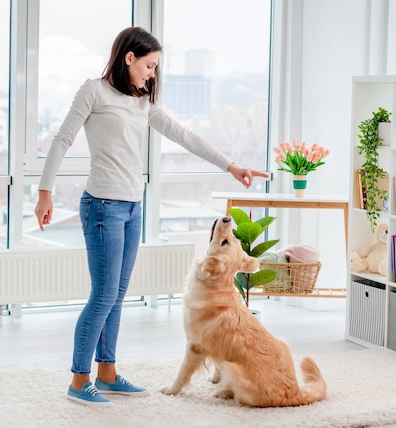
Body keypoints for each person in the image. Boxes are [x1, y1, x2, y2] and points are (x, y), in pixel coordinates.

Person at [35, 26, 268, 407]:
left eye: (155, 68)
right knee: (103, 295)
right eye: (149, 65)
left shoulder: (142, 103)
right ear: (129, 58)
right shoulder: (93, 91)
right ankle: (79, 379)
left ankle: (106, 373)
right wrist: (44, 193)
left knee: (117, 295)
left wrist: (231, 166)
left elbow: (184, 135)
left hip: (131, 208)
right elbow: (62, 139)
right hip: (101, 208)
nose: (152, 74)